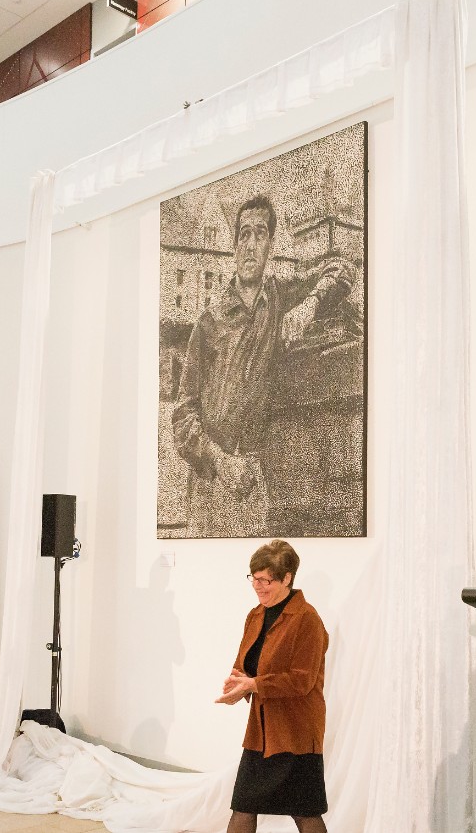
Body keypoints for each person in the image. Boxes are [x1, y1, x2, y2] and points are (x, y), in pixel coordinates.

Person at [172, 194, 352, 536]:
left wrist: (311, 302)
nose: (250, 245)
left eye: (259, 234)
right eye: (243, 234)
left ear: (270, 244)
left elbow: (342, 267)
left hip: (253, 480)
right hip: (211, 479)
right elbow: (182, 416)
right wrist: (222, 463)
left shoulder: (279, 296)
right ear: (234, 245)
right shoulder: (209, 322)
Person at [216, 539, 329, 833]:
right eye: (254, 578)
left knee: (305, 811)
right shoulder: (255, 616)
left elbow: (302, 680)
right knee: (244, 804)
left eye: (265, 580)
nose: (258, 586)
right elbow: (246, 666)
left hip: (296, 732)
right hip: (262, 731)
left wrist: (253, 684)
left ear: (287, 578)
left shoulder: (308, 620)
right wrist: (236, 686)